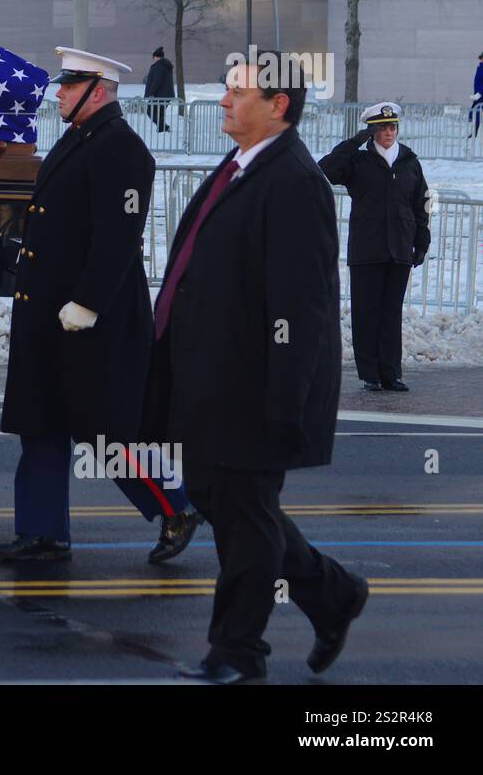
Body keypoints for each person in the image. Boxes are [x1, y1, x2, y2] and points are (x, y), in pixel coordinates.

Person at [145, 51, 367, 684]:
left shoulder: (294, 181)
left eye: (238, 92)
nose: (223, 100)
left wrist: (283, 406)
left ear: (278, 106)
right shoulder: (244, 165)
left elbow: (302, 308)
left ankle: (239, 652)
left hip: (254, 388)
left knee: (245, 515)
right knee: (229, 502)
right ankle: (332, 593)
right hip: (214, 379)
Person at [0, 47, 203, 565]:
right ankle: (41, 531)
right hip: (49, 311)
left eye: (69, 84)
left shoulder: (122, 150)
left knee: (104, 430)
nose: (58, 92)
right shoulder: (80, 141)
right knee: (40, 421)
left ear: (98, 91)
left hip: (93, 318)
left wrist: (85, 304)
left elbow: (116, 238)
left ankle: (174, 507)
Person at [319, 102, 430, 392]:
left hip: (400, 248)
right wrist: (355, 141)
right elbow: (325, 171)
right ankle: (370, 374)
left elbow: (421, 203)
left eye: (392, 127)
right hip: (368, 248)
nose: (389, 132)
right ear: (372, 131)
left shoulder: (409, 161)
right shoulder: (358, 161)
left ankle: (391, 373)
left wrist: (421, 240)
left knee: (391, 313)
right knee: (366, 312)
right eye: (381, 128)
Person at [142, 46, 175, 132]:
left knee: (150, 110)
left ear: (156, 57)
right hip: (167, 94)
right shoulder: (165, 65)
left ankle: (164, 127)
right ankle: (162, 130)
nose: (153, 59)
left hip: (160, 95)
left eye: (154, 57)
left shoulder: (159, 66)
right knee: (160, 113)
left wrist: (150, 93)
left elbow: (156, 81)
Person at [470, 52, 483, 137]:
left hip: (481, 94)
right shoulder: (480, 68)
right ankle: (474, 133)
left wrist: (480, 93)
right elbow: (477, 82)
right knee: (476, 113)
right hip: (478, 95)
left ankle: (475, 133)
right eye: (480, 58)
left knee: (477, 113)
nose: (480, 59)